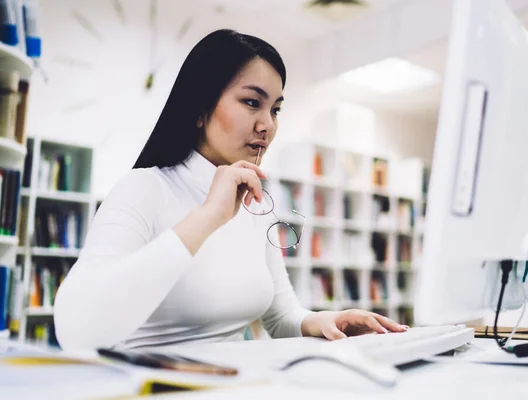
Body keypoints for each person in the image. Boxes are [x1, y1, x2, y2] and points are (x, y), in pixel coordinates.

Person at [53, 29, 408, 351]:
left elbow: (279, 313)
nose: (267, 125)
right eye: (252, 102)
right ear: (199, 109)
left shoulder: (256, 203)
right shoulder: (144, 188)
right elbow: (76, 331)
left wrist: (318, 321)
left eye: (276, 109)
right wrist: (209, 216)